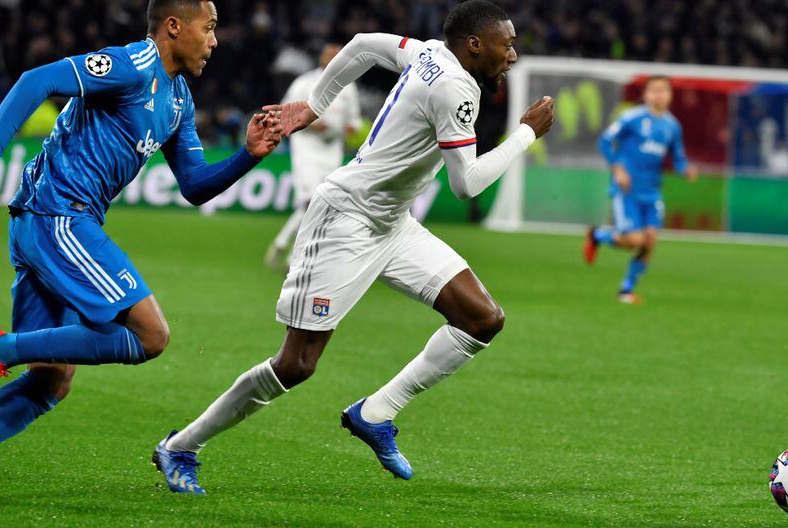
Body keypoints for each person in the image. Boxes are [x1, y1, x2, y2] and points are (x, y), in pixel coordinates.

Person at [153, 0, 554, 492]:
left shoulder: (429, 52)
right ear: (474, 44)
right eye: (506, 44)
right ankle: (180, 446)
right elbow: (466, 184)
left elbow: (363, 46)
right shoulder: (454, 89)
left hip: (392, 223)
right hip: (345, 221)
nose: (512, 55)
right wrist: (526, 134)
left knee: (482, 319)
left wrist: (315, 104)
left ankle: (375, 413)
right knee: (295, 365)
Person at [0, 0, 281, 503]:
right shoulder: (131, 64)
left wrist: (247, 156)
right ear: (174, 26)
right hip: (58, 215)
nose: (214, 41)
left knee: (51, 379)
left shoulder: (179, 100)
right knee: (150, 335)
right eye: (208, 28)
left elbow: (194, 184)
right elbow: (37, 80)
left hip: (50, 223)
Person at [584, 75, 697, 303]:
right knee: (635, 240)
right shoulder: (631, 118)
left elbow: (678, 158)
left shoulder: (673, 126)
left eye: (663, 90)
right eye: (654, 90)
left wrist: (685, 170)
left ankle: (626, 290)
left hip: (652, 191)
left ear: (670, 95)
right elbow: (605, 141)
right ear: (645, 94)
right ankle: (597, 235)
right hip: (627, 189)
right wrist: (618, 169)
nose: (658, 95)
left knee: (650, 241)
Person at [265, 42, 362, 270]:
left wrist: (351, 128)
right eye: (329, 55)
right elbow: (284, 113)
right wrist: (311, 125)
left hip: (332, 150)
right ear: (321, 58)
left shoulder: (349, 87)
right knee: (311, 201)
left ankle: (282, 245)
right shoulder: (304, 83)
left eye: (337, 56)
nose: (333, 59)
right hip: (306, 147)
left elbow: (355, 121)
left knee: (322, 202)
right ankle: (294, 255)